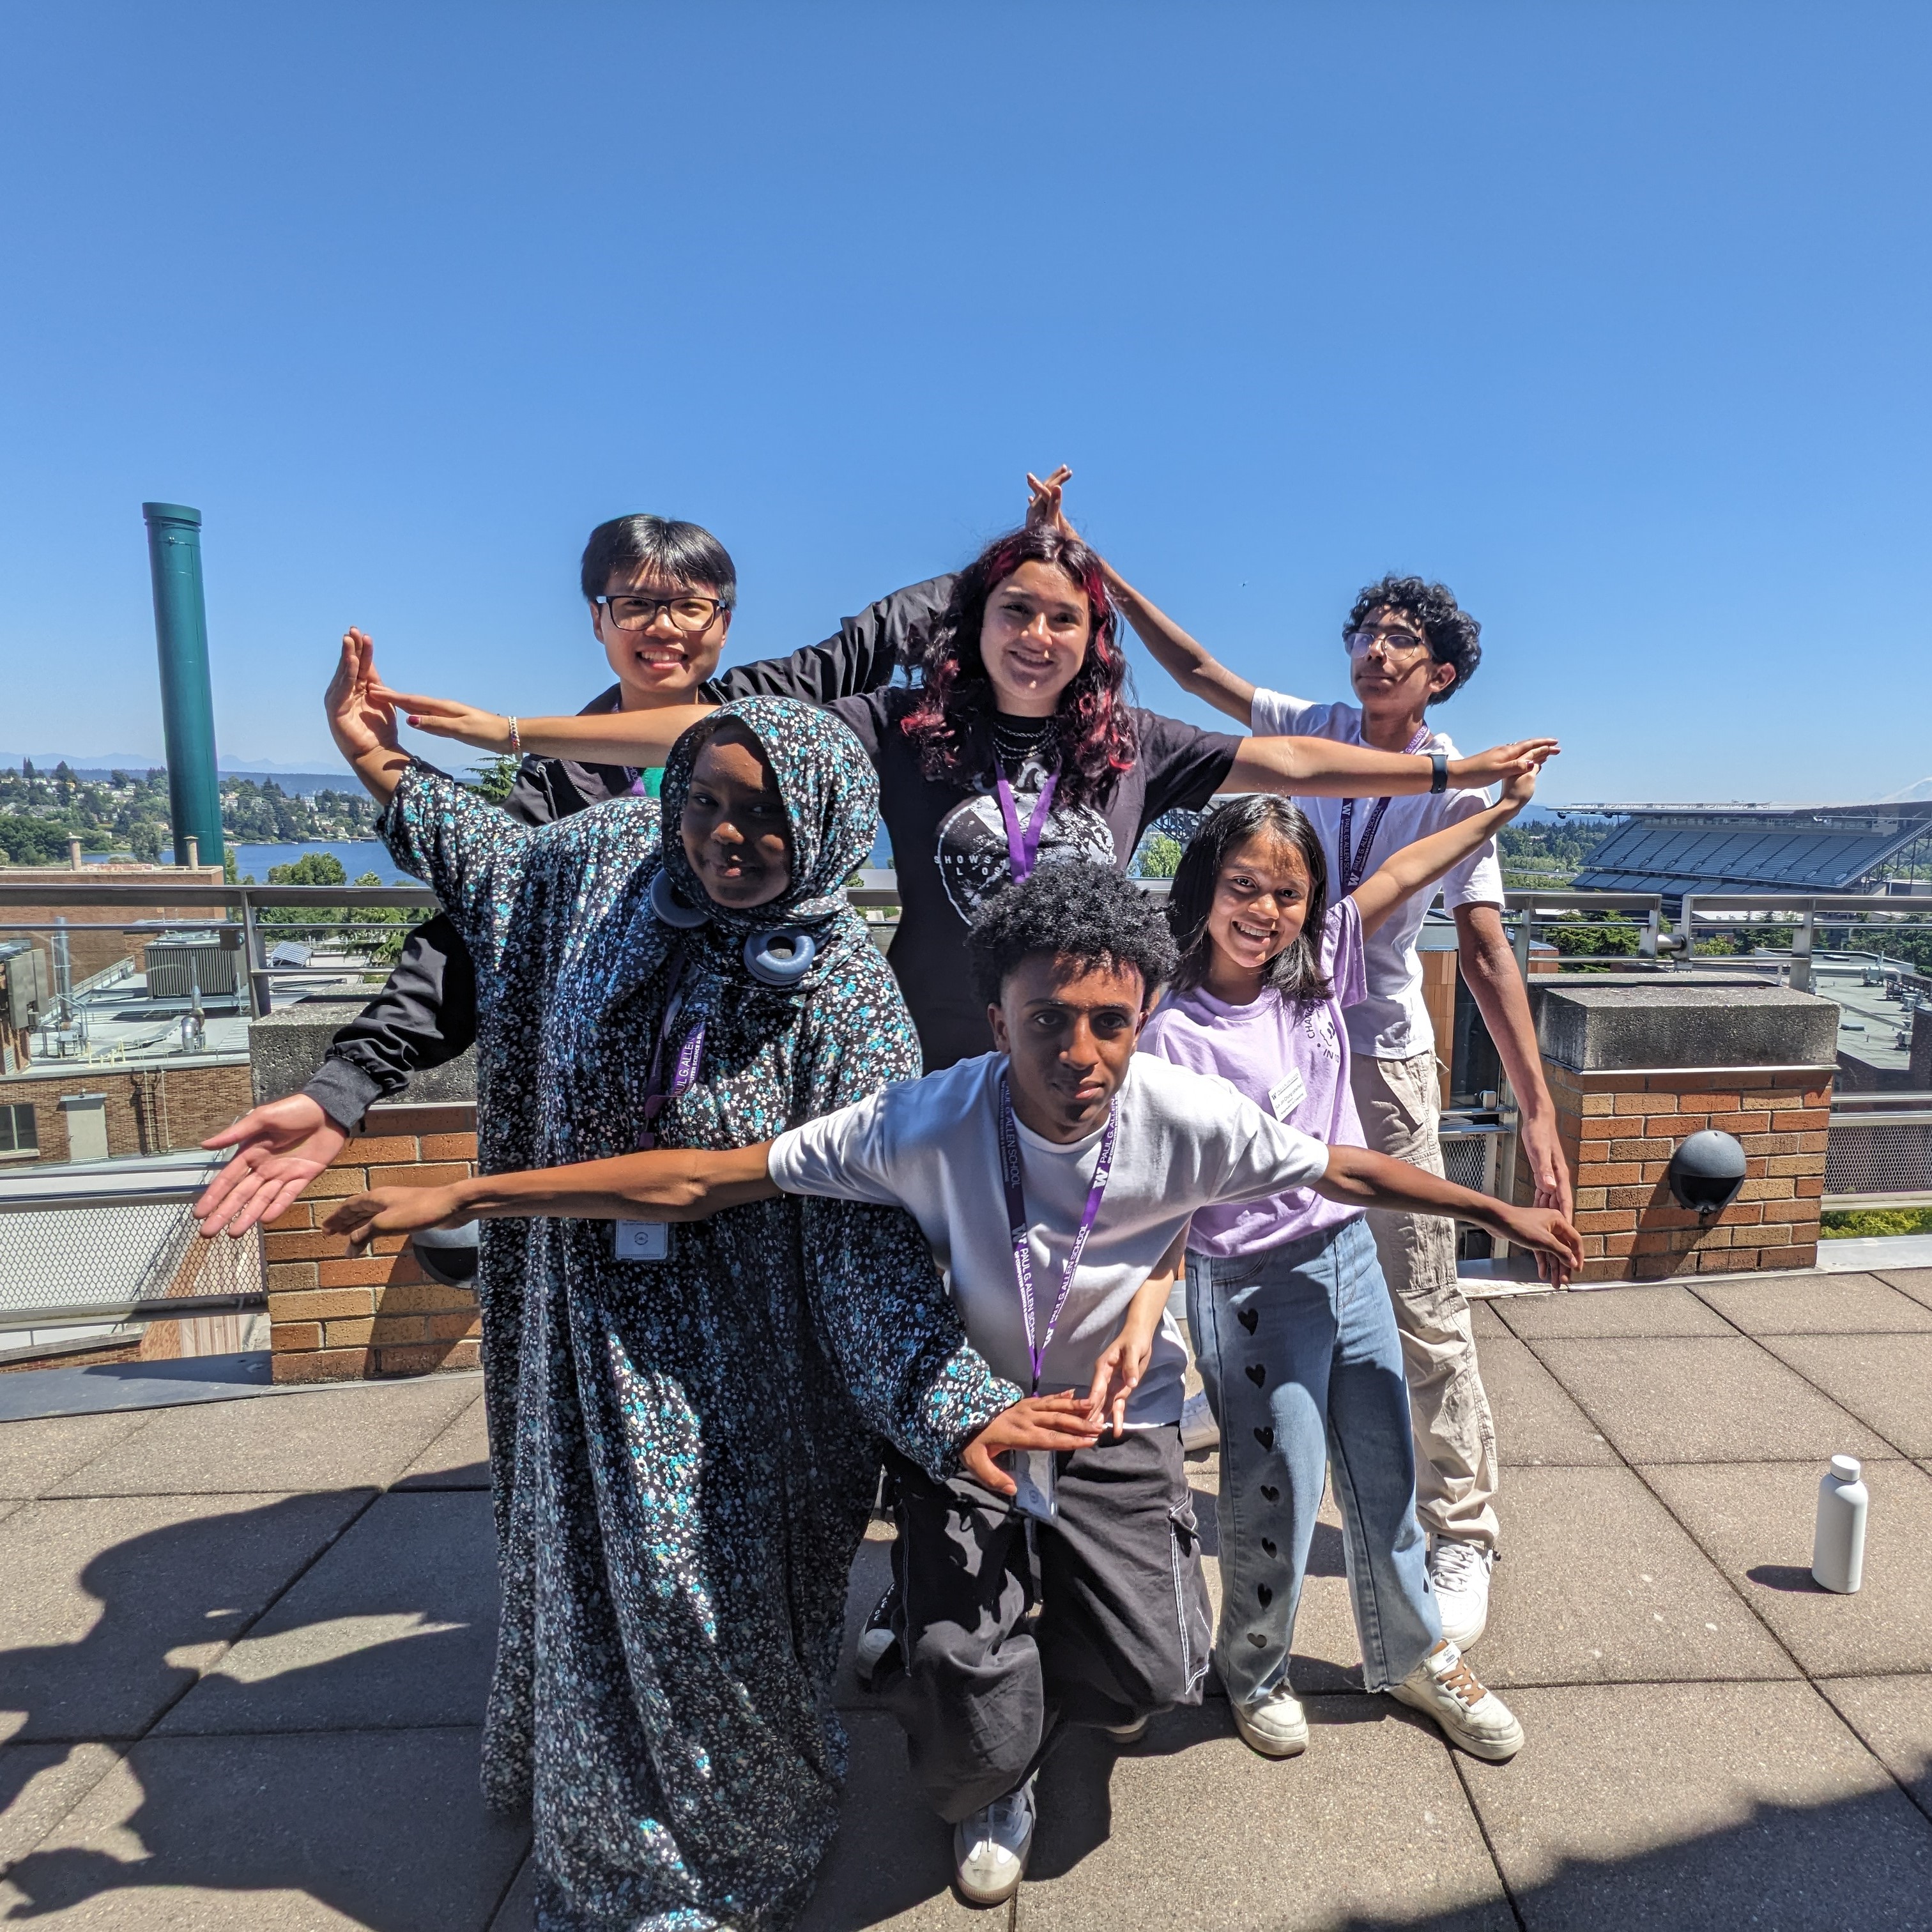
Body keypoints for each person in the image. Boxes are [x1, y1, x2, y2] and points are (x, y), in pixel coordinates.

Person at [331, 865, 1581, 1908]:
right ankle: (994, 1767)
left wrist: (1496, 1210)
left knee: (1154, 1675)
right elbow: (702, 1177)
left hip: (1111, 1427)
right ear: (997, 1017)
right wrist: (468, 1194)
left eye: (1111, 1020)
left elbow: (1348, 1169)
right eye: (1050, 1020)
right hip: (968, 1433)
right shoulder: (923, 1120)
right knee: (968, 1712)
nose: (1081, 1053)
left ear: (1144, 1013)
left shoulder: (1188, 1117)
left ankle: (1042, 1648)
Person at [282, 644, 1100, 1929]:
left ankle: (724, 1843)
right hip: (586, 1334)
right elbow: (486, 867)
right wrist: (373, 755)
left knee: (701, 1608)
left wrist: (957, 1410)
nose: (730, 835)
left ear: (825, 819)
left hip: (752, 1370)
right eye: (708, 802)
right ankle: (600, 1819)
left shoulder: (846, 1001)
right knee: (591, 1583)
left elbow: (871, 1242)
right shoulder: (605, 875)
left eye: (766, 812)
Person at [366, 492, 1560, 1070]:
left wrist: (1447, 763)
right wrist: (519, 731)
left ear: (1091, 640)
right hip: (936, 1046)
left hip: (1095, 1048)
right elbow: (719, 730)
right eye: (1013, 609)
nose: (1036, 634)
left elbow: (1297, 758)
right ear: (973, 622)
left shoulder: (1134, 742)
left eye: (1061, 618)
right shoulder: (897, 724)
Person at [1042, 479, 1569, 1650]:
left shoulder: (1464, 775)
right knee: (1204, 1247)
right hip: (1252, 1032)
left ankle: (1458, 1519)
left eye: (1403, 639)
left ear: (1439, 674)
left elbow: (1479, 948)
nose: (1375, 649)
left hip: (1374, 1051)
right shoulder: (1312, 723)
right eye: (1365, 630)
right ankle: (1192, 1471)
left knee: (1421, 1295)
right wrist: (1093, 566)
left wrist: (1532, 1108)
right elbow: (1196, 674)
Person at [194, 512, 954, 1239]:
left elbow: (884, 630)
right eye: (635, 605)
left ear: (723, 621)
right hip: (615, 1117)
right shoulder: (560, 788)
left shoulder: (771, 710)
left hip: (766, 1102)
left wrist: (1040, 553)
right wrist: (344, 1090)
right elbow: (474, 934)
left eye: (690, 606)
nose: (663, 628)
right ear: (598, 619)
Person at [1138, 767, 1551, 1763]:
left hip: (1346, 1257)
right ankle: (1254, 1667)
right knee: (1272, 1486)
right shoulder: (1172, 1031)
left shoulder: (1319, 962)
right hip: (1249, 1286)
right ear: (1201, 888)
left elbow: (1405, 868)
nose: (1266, 912)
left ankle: (1414, 1651)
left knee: (1385, 1466)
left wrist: (1491, 814)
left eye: (1287, 892)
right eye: (1243, 887)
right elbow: (1168, 1196)